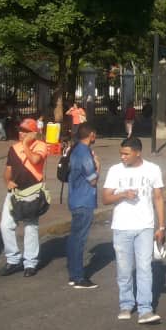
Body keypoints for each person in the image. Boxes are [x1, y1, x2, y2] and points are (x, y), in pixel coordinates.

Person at [102, 138, 165, 324]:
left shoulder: (153, 169)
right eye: (121, 153)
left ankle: (145, 309)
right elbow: (105, 198)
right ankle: (126, 304)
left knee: (145, 267)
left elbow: (159, 198)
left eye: (126, 153)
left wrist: (161, 226)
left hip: (145, 226)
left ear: (137, 152)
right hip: (121, 227)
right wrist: (122, 194)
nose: (122, 157)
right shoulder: (115, 170)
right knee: (124, 269)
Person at [0, 118, 49, 277]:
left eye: (26, 131)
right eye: (21, 130)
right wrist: (7, 181)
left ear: (34, 133)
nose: (22, 134)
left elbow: (35, 160)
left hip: (32, 192)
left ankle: (30, 263)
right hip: (15, 193)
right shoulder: (13, 148)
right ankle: (13, 259)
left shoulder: (40, 146)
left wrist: (27, 144)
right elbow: (8, 169)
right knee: (6, 225)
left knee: (30, 228)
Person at [67, 124, 101, 289]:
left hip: (74, 198)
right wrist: (98, 166)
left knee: (74, 238)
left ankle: (73, 273)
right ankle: (78, 276)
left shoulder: (75, 150)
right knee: (79, 239)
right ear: (91, 135)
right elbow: (93, 179)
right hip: (84, 199)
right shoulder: (85, 153)